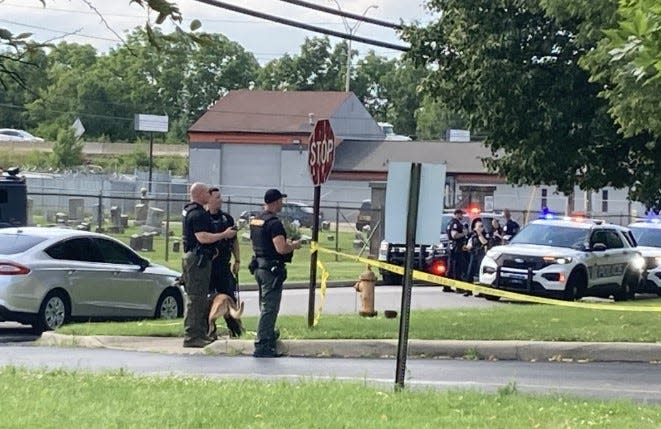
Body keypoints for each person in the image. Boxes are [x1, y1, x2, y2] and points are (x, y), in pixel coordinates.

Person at [181, 182, 236, 348]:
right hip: (198, 259)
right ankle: (192, 336)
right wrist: (224, 234)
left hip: (197, 258)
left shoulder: (189, 210)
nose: (209, 195)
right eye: (206, 193)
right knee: (196, 299)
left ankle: (200, 333)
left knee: (199, 298)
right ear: (198, 194)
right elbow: (202, 237)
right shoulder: (198, 214)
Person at [249, 188, 302, 358]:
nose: (282, 204)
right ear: (276, 202)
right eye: (281, 201)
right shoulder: (274, 223)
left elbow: (255, 243)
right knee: (270, 307)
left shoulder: (257, 220)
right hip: (271, 270)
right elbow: (281, 248)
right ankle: (263, 344)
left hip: (259, 266)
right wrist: (294, 245)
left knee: (264, 305)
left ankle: (268, 334)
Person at [206, 187, 242, 338]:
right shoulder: (203, 218)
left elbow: (234, 241)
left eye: (220, 197)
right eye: (217, 197)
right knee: (207, 300)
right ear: (208, 199)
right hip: (208, 266)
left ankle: (235, 331)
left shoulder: (227, 219)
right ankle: (208, 330)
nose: (220, 200)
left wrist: (237, 260)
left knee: (229, 297)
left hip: (223, 265)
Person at [445, 208, 468, 292]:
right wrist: (463, 234)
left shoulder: (450, 222)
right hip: (456, 247)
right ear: (457, 214)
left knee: (450, 266)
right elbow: (454, 235)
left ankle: (447, 286)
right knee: (457, 267)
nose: (462, 216)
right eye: (461, 214)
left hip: (452, 247)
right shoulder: (455, 223)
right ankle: (458, 287)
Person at [465, 219, 489, 290]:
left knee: (480, 273)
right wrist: (466, 247)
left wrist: (480, 234)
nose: (481, 228)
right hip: (473, 255)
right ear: (475, 228)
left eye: (482, 226)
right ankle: (468, 290)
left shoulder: (485, 234)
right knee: (470, 272)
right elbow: (469, 245)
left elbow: (485, 242)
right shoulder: (472, 235)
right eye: (479, 226)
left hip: (481, 255)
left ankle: (481, 291)